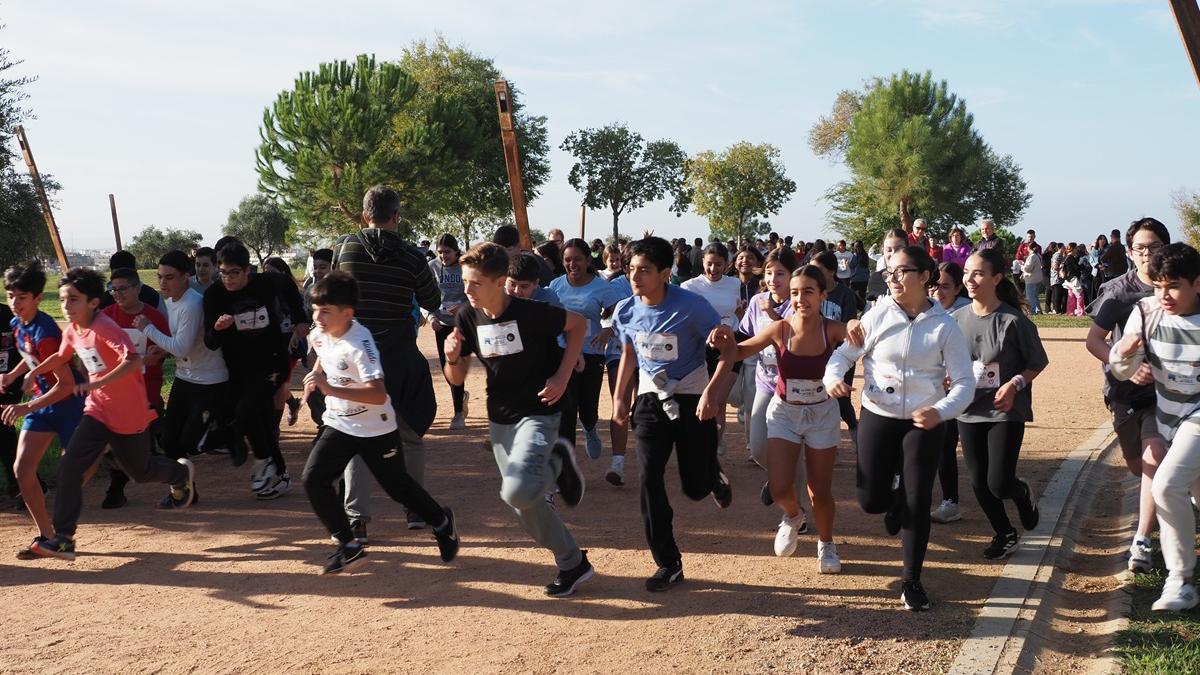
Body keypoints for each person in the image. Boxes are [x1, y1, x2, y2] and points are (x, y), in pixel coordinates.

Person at [825, 246, 974, 611]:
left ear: (924, 277)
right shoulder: (875, 316)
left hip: (925, 422)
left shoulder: (945, 326)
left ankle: (911, 581)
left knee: (918, 500)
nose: (891, 278)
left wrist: (940, 411)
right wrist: (833, 379)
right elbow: (842, 356)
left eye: (900, 272)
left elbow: (965, 384)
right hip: (878, 412)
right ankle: (892, 500)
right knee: (870, 501)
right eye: (888, 272)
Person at [444, 242, 595, 597]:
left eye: (475, 283)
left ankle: (556, 463)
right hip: (501, 419)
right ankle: (573, 563)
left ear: (499, 282)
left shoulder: (532, 312)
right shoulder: (468, 316)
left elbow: (580, 325)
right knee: (522, 504)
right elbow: (457, 378)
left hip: (540, 411)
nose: (466, 290)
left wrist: (562, 376)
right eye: (465, 282)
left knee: (515, 489)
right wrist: (453, 359)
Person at [27, 268, 196, 560]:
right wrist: (35, 371)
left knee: (141, 472)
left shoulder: (106, 327)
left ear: (93, 302)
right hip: (98, 410)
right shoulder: (74, 328)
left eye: (73, 300)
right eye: (64, 300)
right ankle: (64, 538)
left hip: (129, 413)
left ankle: (180, 474)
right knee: (70, 467)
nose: (66, 307)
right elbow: (62, 356)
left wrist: (97, 381)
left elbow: (131, 360)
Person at [300, 271, 459, 574]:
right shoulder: (320, 330)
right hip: (339, 422)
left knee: (398, 487)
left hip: (376, 427)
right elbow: (320, 350)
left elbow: (377, 393)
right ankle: (348, 546)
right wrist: (316, 378)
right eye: (315, 309)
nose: (317, 316)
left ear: (347, 314)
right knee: (314, 479)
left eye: (325, 311)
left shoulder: (360, 345)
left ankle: (441, 521)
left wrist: (330, 388)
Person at [611, 236, 734, 592]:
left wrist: (711, 394)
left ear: (665, 273)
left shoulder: (694, 307)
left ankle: (713, 476)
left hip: (693, 395)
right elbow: (630, 355)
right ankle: (668, 562)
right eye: (631, 269)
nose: (635, 277)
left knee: (695, 487)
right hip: (651, 399)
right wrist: (620, 399)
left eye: (644, 270)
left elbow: (727, 353)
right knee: (649, 479)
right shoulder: (625, 310)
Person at [712, 265, 847, 573]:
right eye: (796, 292)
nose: (801, 299)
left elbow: (862, 340)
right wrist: (723, 341)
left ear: (823, 295)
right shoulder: (780, 329)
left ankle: (826, 544)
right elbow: (740, 350)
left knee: (820, 489)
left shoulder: (833, 329)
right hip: (785, 412)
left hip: (822, 415)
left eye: (809, 292)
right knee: (779, 488)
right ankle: (794, 515)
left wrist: (854, 322)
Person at [334, 186, 443, 531]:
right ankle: (415, 510)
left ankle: (356, 520)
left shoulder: (345, 248)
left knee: (356, 435)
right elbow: (432, 298)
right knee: (409, 434)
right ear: (396, 216)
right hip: (398, 351)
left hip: (354, 355)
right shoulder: (413, 257)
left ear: (365, 214)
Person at [1110, 243, 1200, 611]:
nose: (1164, 294)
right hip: (1168, 419)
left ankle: (1181, 581)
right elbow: (1121, 368)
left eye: (1174, 285)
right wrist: (1127, 357)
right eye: (1159, 285)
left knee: (1165, 486)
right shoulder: (1145, 313)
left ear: (1197, 283)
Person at [1085, 217, 1171, 573]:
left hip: (1167, 393)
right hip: (1124, 390)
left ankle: (1141, 541)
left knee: (1154, 458)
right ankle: (1168, 496)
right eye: (1139, 248)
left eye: (1153, 247)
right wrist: (1123, 364)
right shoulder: (1119, 291)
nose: (1146, 254)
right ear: (1130, 252)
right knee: (1139, 465)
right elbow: (1094, 340)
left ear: (1164, 248)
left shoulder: (1178, 286)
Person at [954, 249, 1048, 559]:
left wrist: (1014, 383)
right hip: (968, 410)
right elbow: (947, 361)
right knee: (979, 482)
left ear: (996, 278)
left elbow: (1037, 361)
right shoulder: (956, 319)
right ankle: (1005, 532)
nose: (970, 279)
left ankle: (1020, 492)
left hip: (1005, 409)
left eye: (978, 273)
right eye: (967, 272)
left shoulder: (1013, 320)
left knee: (998, 482)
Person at [204, 241, 306, 499]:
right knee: (257, 420)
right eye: (223, 273)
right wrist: (218, 328)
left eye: (234, 273)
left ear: (248, 270)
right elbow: (210, 341)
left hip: (272, 362)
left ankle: (254, 455)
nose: (228, 279)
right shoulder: (214, 295)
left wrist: (300, 320)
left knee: (246, 411)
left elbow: (289, 287)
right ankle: (279, 473)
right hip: (238, 367)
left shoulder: (267, 283)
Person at [1, 261, 86, 559]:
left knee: (72, 476)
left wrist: (25, 407)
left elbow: (64, 384)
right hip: (42, 403)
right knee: (22, 469)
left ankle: (172, 473)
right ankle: (48, 536)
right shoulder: (17, 324)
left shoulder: (46, 332)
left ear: (37, 298)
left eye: (21, 297)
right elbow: (31, 355)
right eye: (10, 295)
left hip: (67, 406)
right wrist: (13, 374)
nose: (14, 303)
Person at [137, 251, 230, 478]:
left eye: (169, 277)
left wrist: (148, 329)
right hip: (184, 376)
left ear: (185, 277)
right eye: (159, 277)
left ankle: (229, 432)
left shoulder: (192, 304)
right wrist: (163, 349)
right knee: (170, 440)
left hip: (208, 380)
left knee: (191, 442)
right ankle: (183, 487)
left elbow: (180, 347)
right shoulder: (171, 303)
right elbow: (178, 343)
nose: (162, 282)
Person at [737, 247, 809, 519]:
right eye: (768, 272)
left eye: (780, 273)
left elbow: (800, 341)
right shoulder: (758, 302)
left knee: (794, 452)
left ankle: (796, 511)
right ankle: (779, 477)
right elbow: (743, 336)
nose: (773, 279)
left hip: (795, 389)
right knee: (757, 449)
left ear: (793, 276)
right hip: (765, 384)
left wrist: (776, 317)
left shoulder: (800, 303)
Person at [99, 266, 172, 508]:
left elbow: (169, 348)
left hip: (145, 391)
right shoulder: (106, 316)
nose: (117, 294)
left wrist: (158, 353)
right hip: (114, 392)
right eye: (113, 289)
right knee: (111, 441)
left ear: (138, 288)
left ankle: (176, 475)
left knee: (139, 452)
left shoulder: (155, 317)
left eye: (123, 289)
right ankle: (116, 487)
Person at [551, 238, 626, 460]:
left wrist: (609, 330)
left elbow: (621, 314)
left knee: (588, 407)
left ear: (587, 260)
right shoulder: (556, 286)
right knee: (566, 408)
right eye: (567, 260)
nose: (572, 264)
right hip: (562, 353)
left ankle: (590, 428)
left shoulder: (601, 286)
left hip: (591, 353)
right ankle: (567, 464)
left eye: (577, 259)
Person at [681, 242, 744, 455]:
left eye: (718, 264)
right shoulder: (689, 287)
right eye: (709, 264)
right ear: (702, 262)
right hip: (700, 347)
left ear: (727, 264)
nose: (713, 269)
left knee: (719, 398)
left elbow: (738, 312)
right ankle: (702, 441)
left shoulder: (735, 283)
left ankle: (715, 443)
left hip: (730, 346)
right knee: (701, 397)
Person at [929, 262, 971, 524]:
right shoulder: (925, 311)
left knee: (956, 447)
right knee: (938, 445)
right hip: (932, 391)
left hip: (962, 391)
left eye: (945, 286)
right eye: (934, 286)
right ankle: (947, 500)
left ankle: (952, 500)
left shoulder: (966, 312)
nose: (938, 292)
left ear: (958, 288)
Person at [600, 244, 635, 485]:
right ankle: (618, 464)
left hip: (652, 356)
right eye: (632, 266)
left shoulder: (666, 289)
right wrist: (608, 328)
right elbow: (604, 314)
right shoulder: (615, 287)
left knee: (645, 408)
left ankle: (652, 455)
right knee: (620, 404)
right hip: (619, 351)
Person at [428, 234, 470, 430]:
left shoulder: (465, 266)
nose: (444, 256)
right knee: (447, 370)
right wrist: (431, 317)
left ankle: (458, 414)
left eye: (447, 252)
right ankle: (461, 396)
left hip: (462, 324)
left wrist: (464, 307)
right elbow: (424, 297)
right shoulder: (432, 267)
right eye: (440, 252)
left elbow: (474, 293)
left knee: (457, 366)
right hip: (441, 324)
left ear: (456, 251)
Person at [1020, 245, 1043, 315]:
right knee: (1035, 296)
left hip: (1031, 279)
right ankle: (1038, 310)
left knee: (1030, 296)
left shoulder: (1032, 256)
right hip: (1037, 278)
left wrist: (1022, 267)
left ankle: (1032, 310)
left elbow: (1028, 269)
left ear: (1028, 248)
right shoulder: (1037, 256)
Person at [850, 241, 870, 307]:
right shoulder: (865, 255)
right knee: (862, 295)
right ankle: (864, 309)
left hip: (856, 278)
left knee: (852, 295)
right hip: (865, 278)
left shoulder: (855, 255)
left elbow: (852, 265)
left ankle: (854, 308)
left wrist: (847, 264)